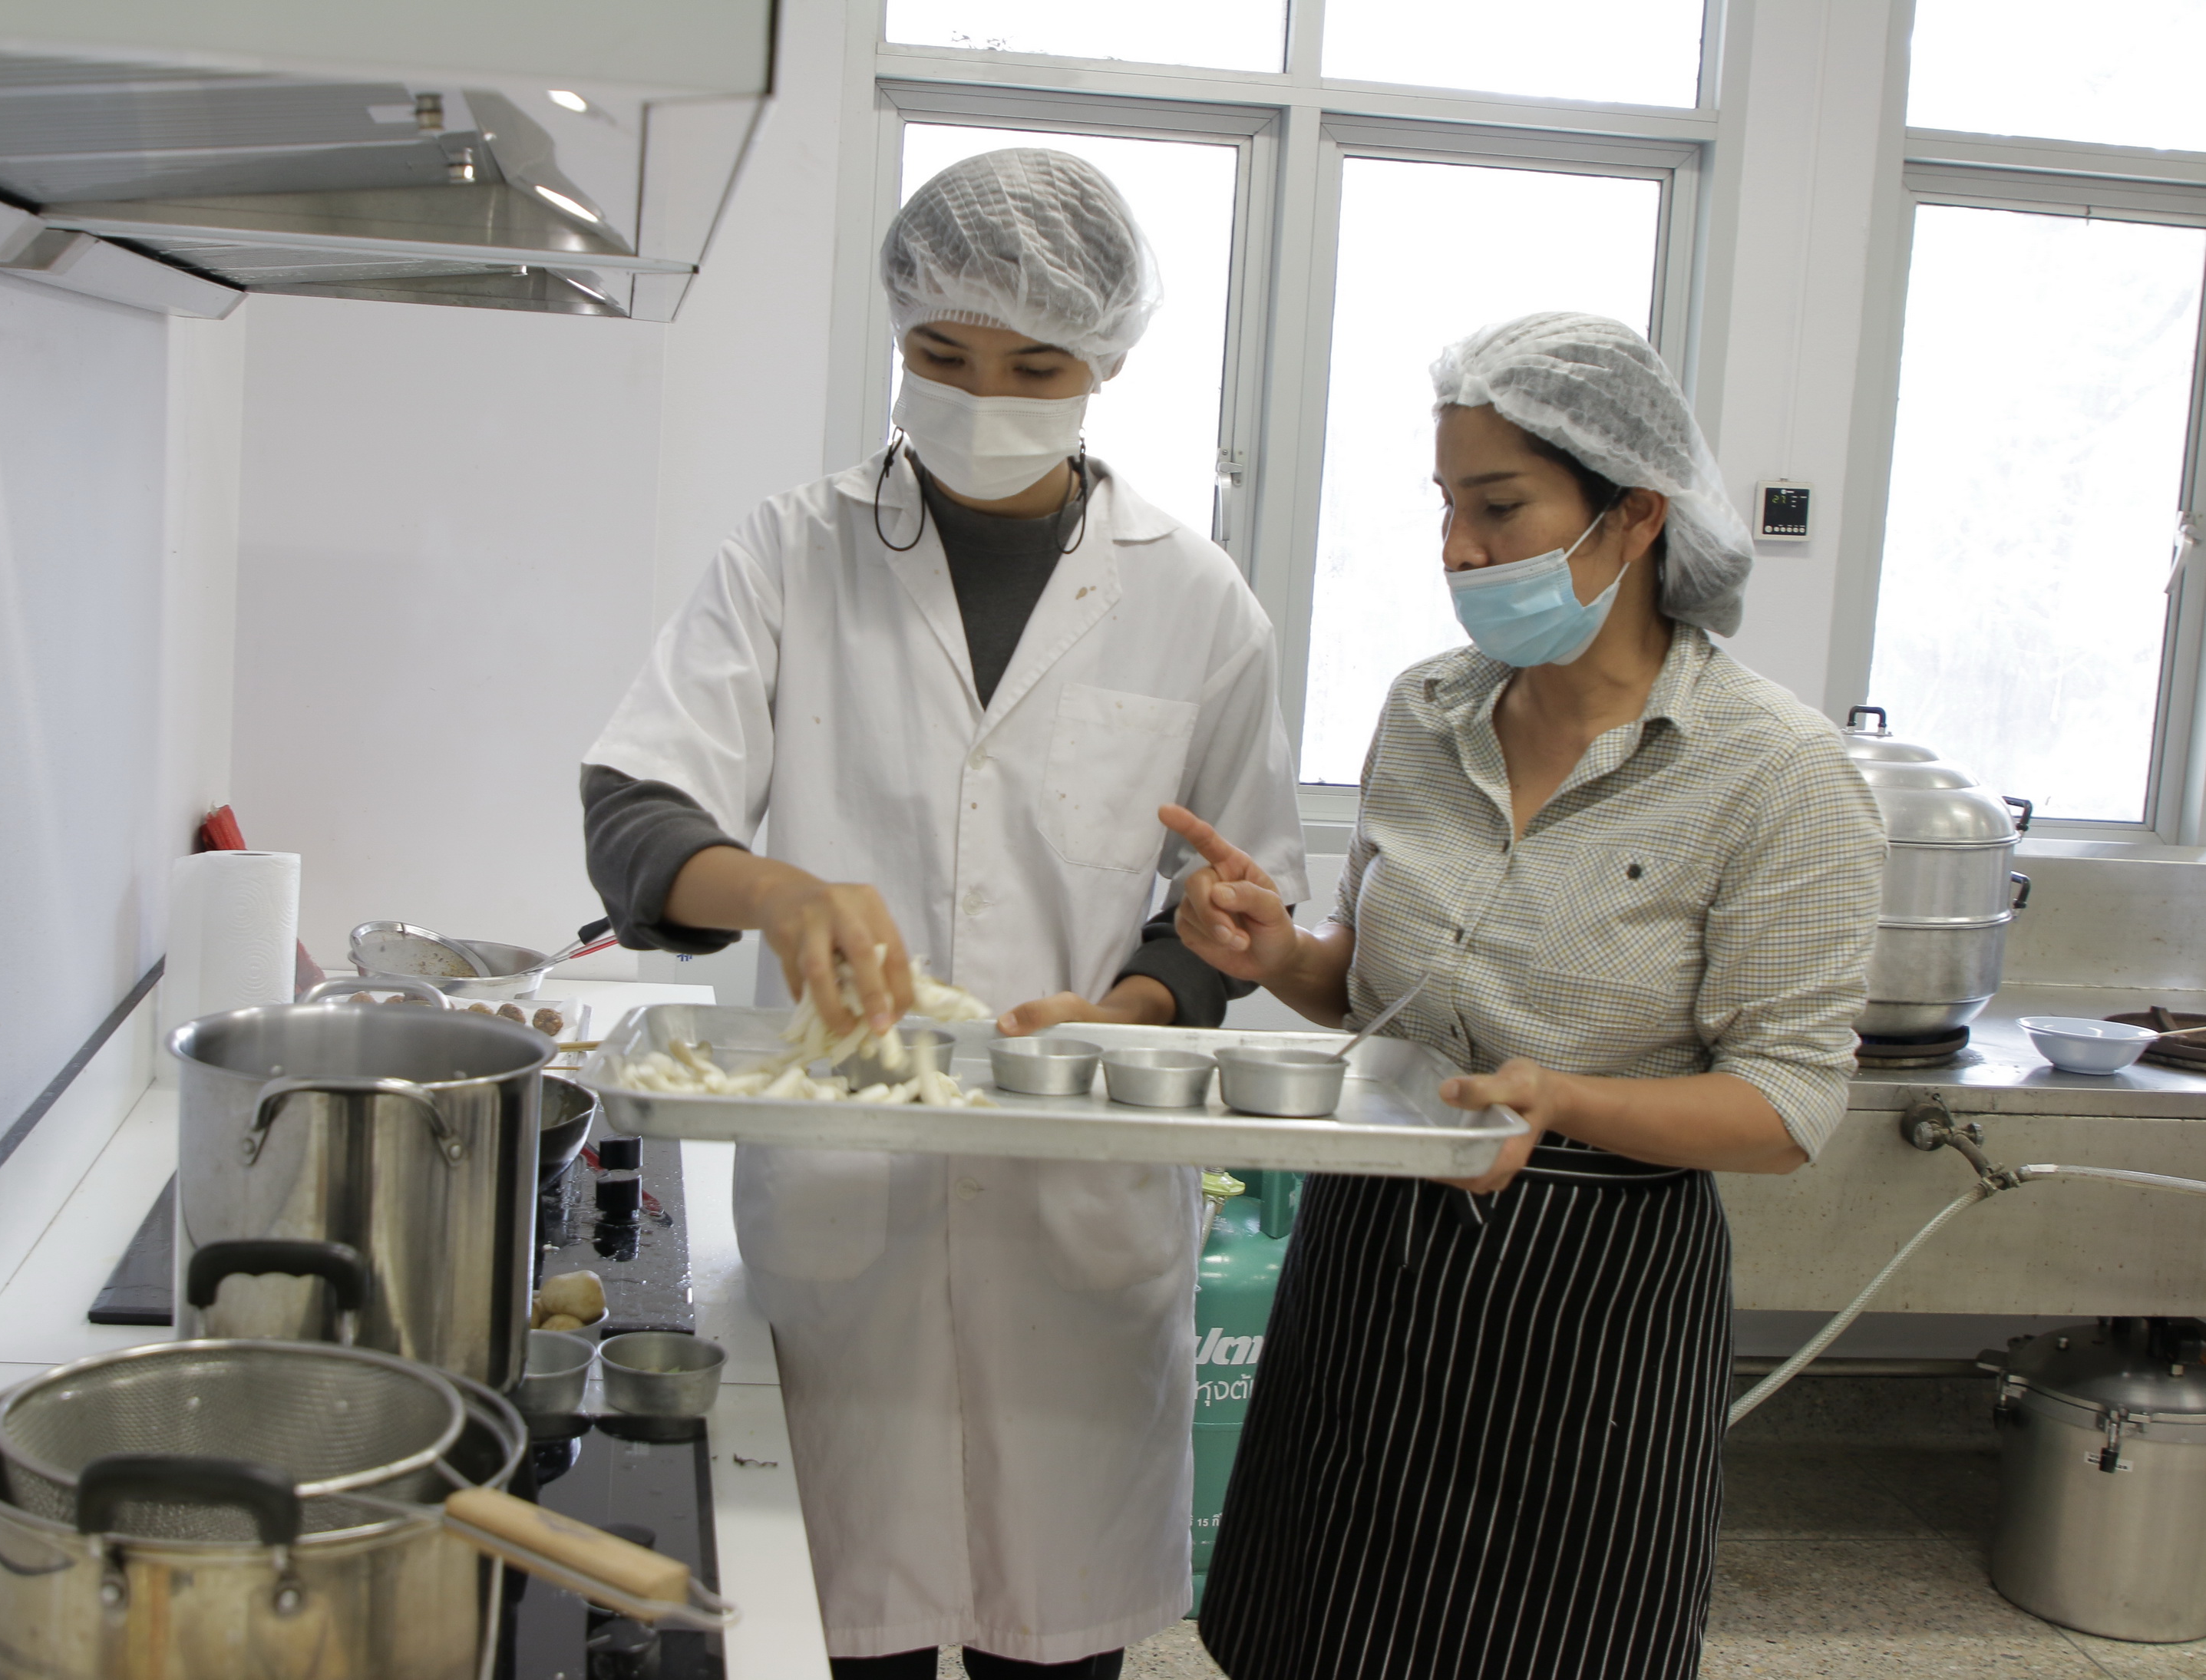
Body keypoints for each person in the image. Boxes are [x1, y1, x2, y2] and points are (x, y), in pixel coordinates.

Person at [580, 149, 1307, 1678]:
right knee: (850, 1640)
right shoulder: (792, 553)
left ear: (1106, 358)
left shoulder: (1197, 602)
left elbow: (1228, 908)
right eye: (942, 354)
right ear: (898, 335)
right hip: (848, 1214)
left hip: (1076, 1217)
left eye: (1034, 366)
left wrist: (1129, 1008)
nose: (982, 397)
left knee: (1058, 1651)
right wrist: (777, 892)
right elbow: (637, 813)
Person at [1179, 312, 1884, 1680]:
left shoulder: (1774, 774)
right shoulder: (1424, 713)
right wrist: (1277, 955)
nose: (1458, 549)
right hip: (1369, 1255)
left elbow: (1787, 1104)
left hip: (1589, 1297)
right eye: (1447, 507)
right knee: (1316, 1628)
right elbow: (1375, 988)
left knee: (1546, 1643)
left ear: (1636, 515)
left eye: (1499, 508)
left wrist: (1558, 1096)